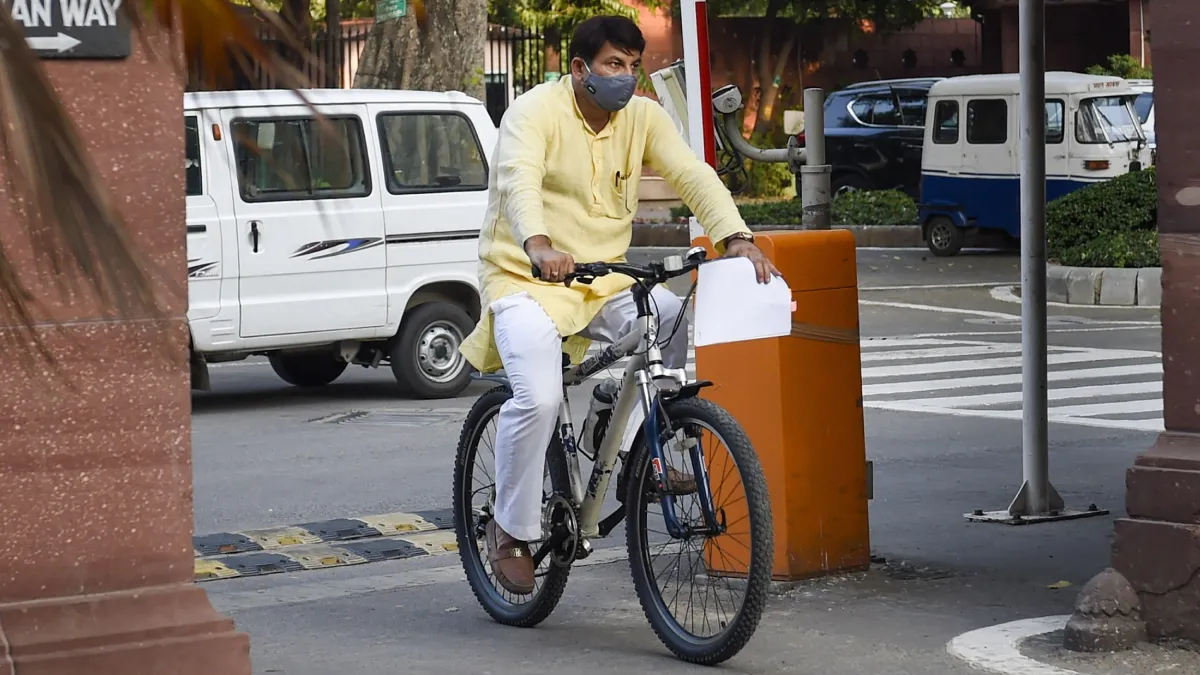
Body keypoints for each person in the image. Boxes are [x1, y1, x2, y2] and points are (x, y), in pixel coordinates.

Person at [457, 15, 779, 595]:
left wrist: (735, 236)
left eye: (633, 65)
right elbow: (518, 182)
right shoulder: (533, 112)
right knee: (539, 397)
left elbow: (692, 174)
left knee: (670, 315)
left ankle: (637, 449)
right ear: (580, 69)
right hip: (525, 278)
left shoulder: (643, 117)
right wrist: (537, 245)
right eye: (613, 65)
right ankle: (510, 529)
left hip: (602, 278)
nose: (626, 77)